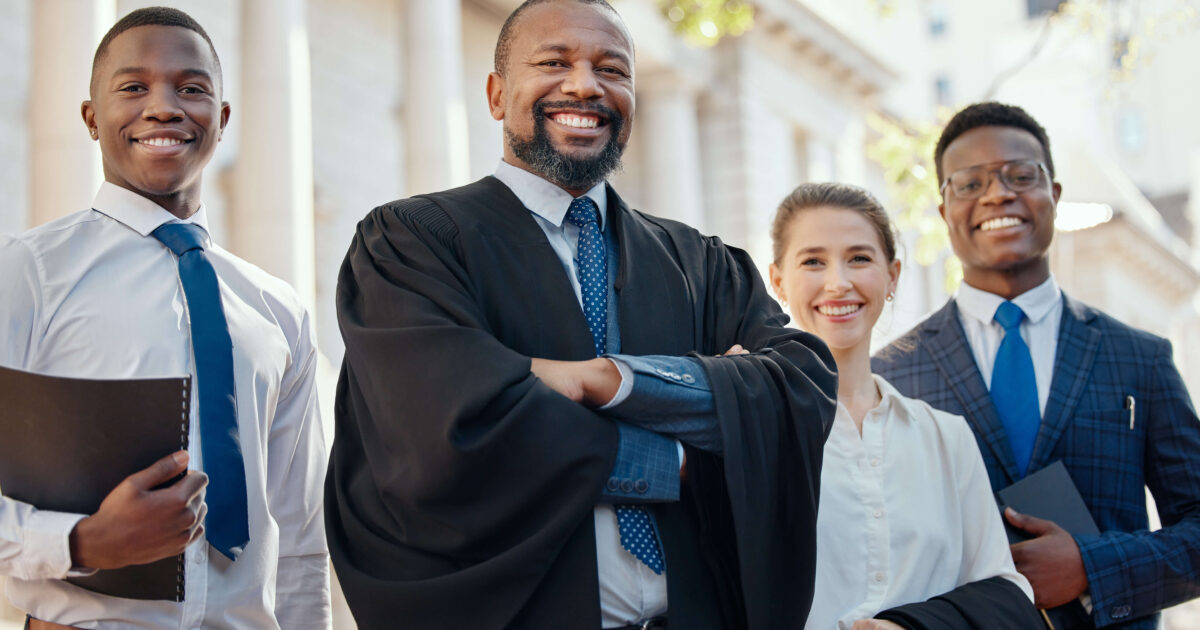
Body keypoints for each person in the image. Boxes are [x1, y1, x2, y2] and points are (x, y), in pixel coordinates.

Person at [325, 0, 838, 628]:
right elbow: (449, 424)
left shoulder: (698, 261)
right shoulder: (414, 242)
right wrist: (688, 452)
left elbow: (800, 389)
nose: (585, 85)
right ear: (496, 93)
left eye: (612, 69)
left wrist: (610, 380)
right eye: (554, 61)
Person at [0, 8, 330, 629]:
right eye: (132, 87)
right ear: (91, 118)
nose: (163, 107)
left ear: (222, 119)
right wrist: (81, 542)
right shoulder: (26, 274)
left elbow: (299, 533)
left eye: (192, 88)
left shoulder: (278, 310)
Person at [874, 102, 1200, 629]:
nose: (998, 193)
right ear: (943, 212)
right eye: (969, 183)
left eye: (1021, 176)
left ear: (1055, 194)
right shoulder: (887, 377)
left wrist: (1093, 569)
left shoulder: (1140, 359)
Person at [767, 183, 1041, 630]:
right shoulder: (757, 430)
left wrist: (911, 626)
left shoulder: (945, 437)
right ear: (778, 280)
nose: (838, 282)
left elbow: (1007, 593)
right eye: (813, 261)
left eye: (859, 258)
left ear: (892, 276)